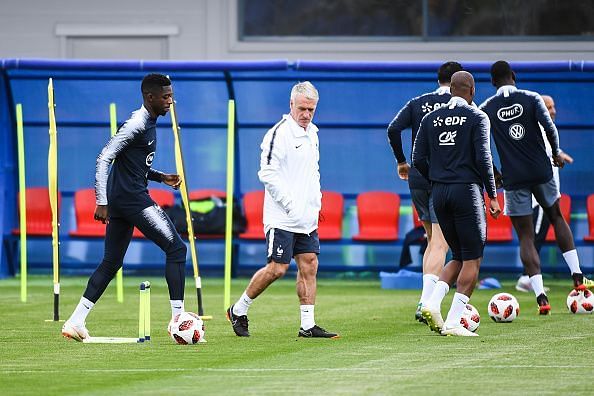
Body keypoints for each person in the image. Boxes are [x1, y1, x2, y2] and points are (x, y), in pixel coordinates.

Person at [62, 74, 187, 341]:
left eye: (171, 95)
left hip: (124, 197)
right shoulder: (136, 124)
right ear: (149, 97)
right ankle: (179, 320)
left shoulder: (150, 122)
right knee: (176, 249)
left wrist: (160, 177)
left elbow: (134, 166)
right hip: (131, 200)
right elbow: (104, 157)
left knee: (111, 262)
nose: (170, 101)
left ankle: (75, 321)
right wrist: (101, 201)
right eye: (165, 97)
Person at [226, 82, 338, 339]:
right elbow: (267, 173)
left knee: (310, 265)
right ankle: (238, 309)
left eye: (311, 109)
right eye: (302, 108)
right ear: (291, 105)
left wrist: (314, 204)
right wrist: (290, 205)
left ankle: (308, 326)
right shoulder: (278, 133)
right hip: (282, 217)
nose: (306, 114)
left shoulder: (313, 134)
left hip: (307, 218)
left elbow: (312, 173)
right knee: (278, 268)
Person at [480, 61, 592, 315]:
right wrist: (555, 155)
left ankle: (541, 297)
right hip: (542, 172)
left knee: (526, 237)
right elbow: (550, 129)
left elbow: (481, 146)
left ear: (493, 82)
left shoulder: (486, 108)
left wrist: (495, 174)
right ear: (514, 76)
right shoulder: (531, 97)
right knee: (556, 217)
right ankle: (577, 275)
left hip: (514, 179)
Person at [413, 71, 501, 337]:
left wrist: (438, 177)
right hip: (467, 192)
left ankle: (430, 303)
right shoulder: (478, 117)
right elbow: (484, 158)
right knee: (473, 258)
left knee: (458, 256)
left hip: (439, 193)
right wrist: (493, 195)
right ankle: (453, 322)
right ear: (472, 91)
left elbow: (417, 158)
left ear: (451, 90)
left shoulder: (430, 119)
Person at [387, 61, 463, 322]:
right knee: (441, 243)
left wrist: (401, 161)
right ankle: (426, 302)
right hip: (443, 178)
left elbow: (393, 128)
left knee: (433, 241)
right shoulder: (460, 105)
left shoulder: (418, 102)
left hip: (417, 177)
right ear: (458, 82)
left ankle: (425, 298)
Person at [516, 95, 574, 292]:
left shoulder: (546, 131)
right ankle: (526, 277)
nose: (553, 111)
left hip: (549, 194)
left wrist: (560, 153)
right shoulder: (538, 128)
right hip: (539, 197)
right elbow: (540, 152)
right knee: (534, 236)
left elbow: (549, 150)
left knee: (536, 235)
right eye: (549, 107)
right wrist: (556, 154)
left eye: (553, 106)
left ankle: (529, 276)